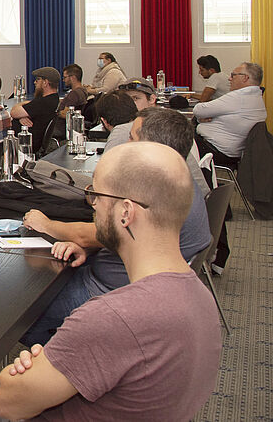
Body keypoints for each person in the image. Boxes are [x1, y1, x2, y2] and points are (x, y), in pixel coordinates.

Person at [0, 143, 221, 421]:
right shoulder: (200, 297)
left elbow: (5, 401)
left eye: (96, 195)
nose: (93, 205)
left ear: (126, 212)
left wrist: (24, 366)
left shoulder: (110, 318)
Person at [21, 113, 211, 347]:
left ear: (150, 147)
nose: (125, 146)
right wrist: (88, 250)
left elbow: (91, 234)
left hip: (112, 292)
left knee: (23, 309)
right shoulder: (180, 182)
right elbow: (110, 239)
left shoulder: (147, 198)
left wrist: (46, 224)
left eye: (131, 139)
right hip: (126, 280)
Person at [194, 61, 266, 161]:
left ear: (245, 78)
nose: (229, 78)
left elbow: (198, 110)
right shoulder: (256, 97)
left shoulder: (239, 97)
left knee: (176, 136)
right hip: (234, 151)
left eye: (233, 75)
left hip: (215, 150)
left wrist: (201, 118)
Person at [9, 67, 61, 154]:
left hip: (26, 142)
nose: (34, 82)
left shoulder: (43, 102)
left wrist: (20, 109)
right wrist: (21, 117)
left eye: (37, 80)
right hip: (31, 139)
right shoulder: (53, 99)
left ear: (45, 82)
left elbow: (13, 112)